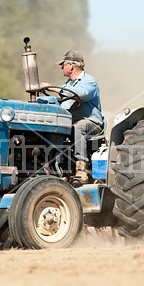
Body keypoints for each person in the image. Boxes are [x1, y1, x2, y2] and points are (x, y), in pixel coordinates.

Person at [44, 50, 104, 186]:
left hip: (91, 123)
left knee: (77, 128)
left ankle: (81, 169)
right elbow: (62, 101)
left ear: (71, 65)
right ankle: (51, 166)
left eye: (63, 65)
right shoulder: (67, 85)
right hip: (70, 122)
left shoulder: (89, 81)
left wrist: (54, 89)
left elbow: (80, 95)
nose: (61, 68)